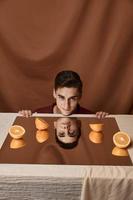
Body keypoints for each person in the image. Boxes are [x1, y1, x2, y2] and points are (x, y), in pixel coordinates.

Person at [19, 70, 108, 118]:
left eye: (72, 98)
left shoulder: (91, 118)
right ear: (54, 93)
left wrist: (105, 119)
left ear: (80, 95)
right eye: (61, 97)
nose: (66, 106)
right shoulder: (37, 115)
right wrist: (23, 118)